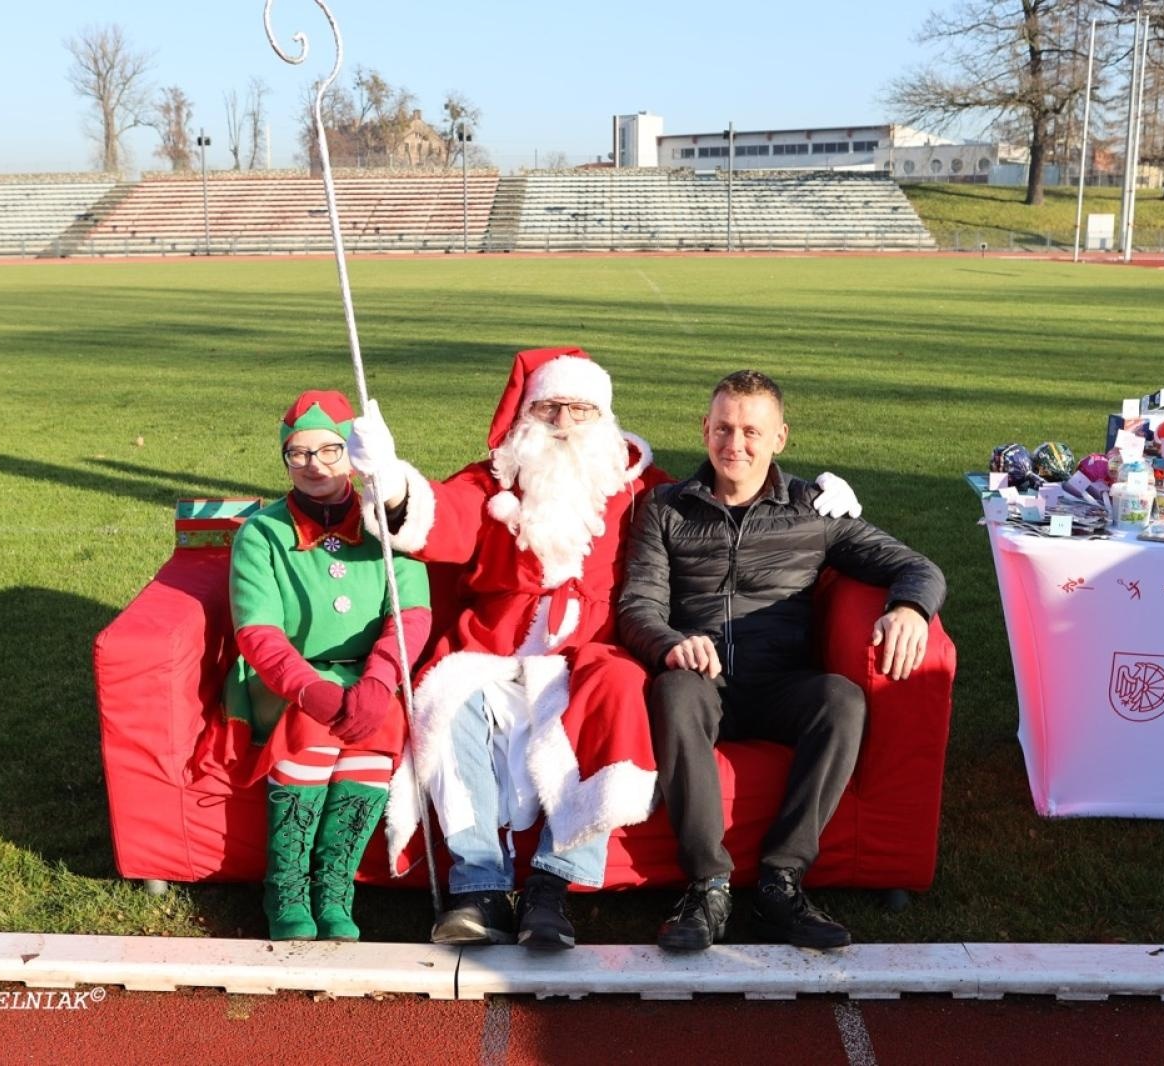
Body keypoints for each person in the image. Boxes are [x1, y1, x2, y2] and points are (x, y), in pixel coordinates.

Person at [346, 347, 864, 950]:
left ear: (605, 417)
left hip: (590, 652)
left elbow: (725, 491)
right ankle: (478, 888)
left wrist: (814, 492)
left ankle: (552, 884)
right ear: (526, 413)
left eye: (580, 410)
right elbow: (444, 517)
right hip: (493, 649)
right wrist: (389, 484)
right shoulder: (492, 480)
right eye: (549, 407)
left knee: (617, 691)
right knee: (448, 700)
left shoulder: (640, 486)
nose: (564, 423)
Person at [616, 369, 944, 952]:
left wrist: (910, 610)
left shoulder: (812, 512)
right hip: (703, 678)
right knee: (673, 689)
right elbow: (637, 603)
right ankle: (707, 885)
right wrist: (671, 643)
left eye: (750, 431)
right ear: (704, 429)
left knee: (841, 699)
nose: (734, 444)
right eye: (722, 428)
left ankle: (781, 882)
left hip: (779, 684)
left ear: (780, 438)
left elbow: (916, 565)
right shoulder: (665, 509)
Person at [224, 389, 432, 942]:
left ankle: (334, 888)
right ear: (285, 460)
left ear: (353, 456)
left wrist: (381, 678)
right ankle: (286, 887)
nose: (315, 465)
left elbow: (410, 617)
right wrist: (308, 689)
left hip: (370, 675)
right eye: (300, 453)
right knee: (312, 726)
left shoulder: (389, 524)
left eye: (330, 450)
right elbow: (257, 631)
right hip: (284, 682)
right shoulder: (261, 534)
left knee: (379, 726)